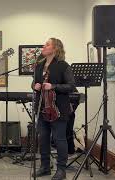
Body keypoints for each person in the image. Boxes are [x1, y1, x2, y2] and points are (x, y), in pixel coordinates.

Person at [32, 38, 75, 180]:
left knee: (59, 139)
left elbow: (71, 86)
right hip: (42, 107)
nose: (43, 46)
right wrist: (35, 86)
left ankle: (61, 170)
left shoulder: (63, 66)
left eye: (47, 44)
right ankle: (45, 167)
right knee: (43, 138)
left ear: (55, 48)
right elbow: (34, 82)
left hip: (58, 109)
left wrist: (54, 86)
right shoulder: (39, 65)